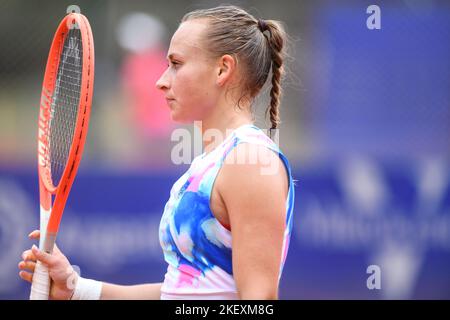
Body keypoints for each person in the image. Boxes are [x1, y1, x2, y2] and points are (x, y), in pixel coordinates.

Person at [18, 5, 295, 300]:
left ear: (223, 69)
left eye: (176, 64)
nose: (160, 81)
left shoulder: (249, 162)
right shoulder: (212, 161)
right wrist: (76, 288)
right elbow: (182, 294)